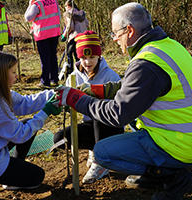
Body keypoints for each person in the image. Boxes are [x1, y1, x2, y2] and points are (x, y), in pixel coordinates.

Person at [54, 2, 192, 200]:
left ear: (129, 30)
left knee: (103, 153)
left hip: (179, 144)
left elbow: (118, 114)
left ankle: (171, 176)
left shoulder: (146, 63)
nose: (114, 40)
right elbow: (137, 89)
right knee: (130, 120)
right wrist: (101, 90)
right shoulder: (168, 46)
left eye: (115, 34)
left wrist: (78, 99)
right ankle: (165, 169)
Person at [0, 50, 61, 200]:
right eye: (13, 72)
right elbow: (21, 135)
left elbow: (25, 103)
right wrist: (46, 112)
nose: (17, 75)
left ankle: (13, 171)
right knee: (37, 177)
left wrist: (54, 94)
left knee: (27, 123)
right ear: (2, 74)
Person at [53, 30, 123, 184]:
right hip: (90, 125)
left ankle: (102, 161)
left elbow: (120, 106)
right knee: (60, 139)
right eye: (83, 58)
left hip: (111, 126)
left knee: (98, 110)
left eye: (92, 57)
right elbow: (66, 99)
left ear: (99, 56)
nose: (88, 62)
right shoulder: (73, 77)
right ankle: (95, 148)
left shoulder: (111, 76)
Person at [24, 0, 61, 87]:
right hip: (54, 32)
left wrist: (30, 5)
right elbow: (58, 15)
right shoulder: (54, 2)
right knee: (53, 56)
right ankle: (54, 79)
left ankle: (45, 81)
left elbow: (28, 18)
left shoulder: (37, 4)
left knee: (45, 59)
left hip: (42, 34)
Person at [61, 0, 88, 76]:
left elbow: (70, 26)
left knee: (69, 54)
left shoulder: (68, 13)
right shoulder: (82, 13)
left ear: (68, 6)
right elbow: (87, 23)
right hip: (83, 36)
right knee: (79, 55)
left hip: (74, 37)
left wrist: (64, 35)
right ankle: (81, 71)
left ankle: (70, 73)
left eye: (65, 7)